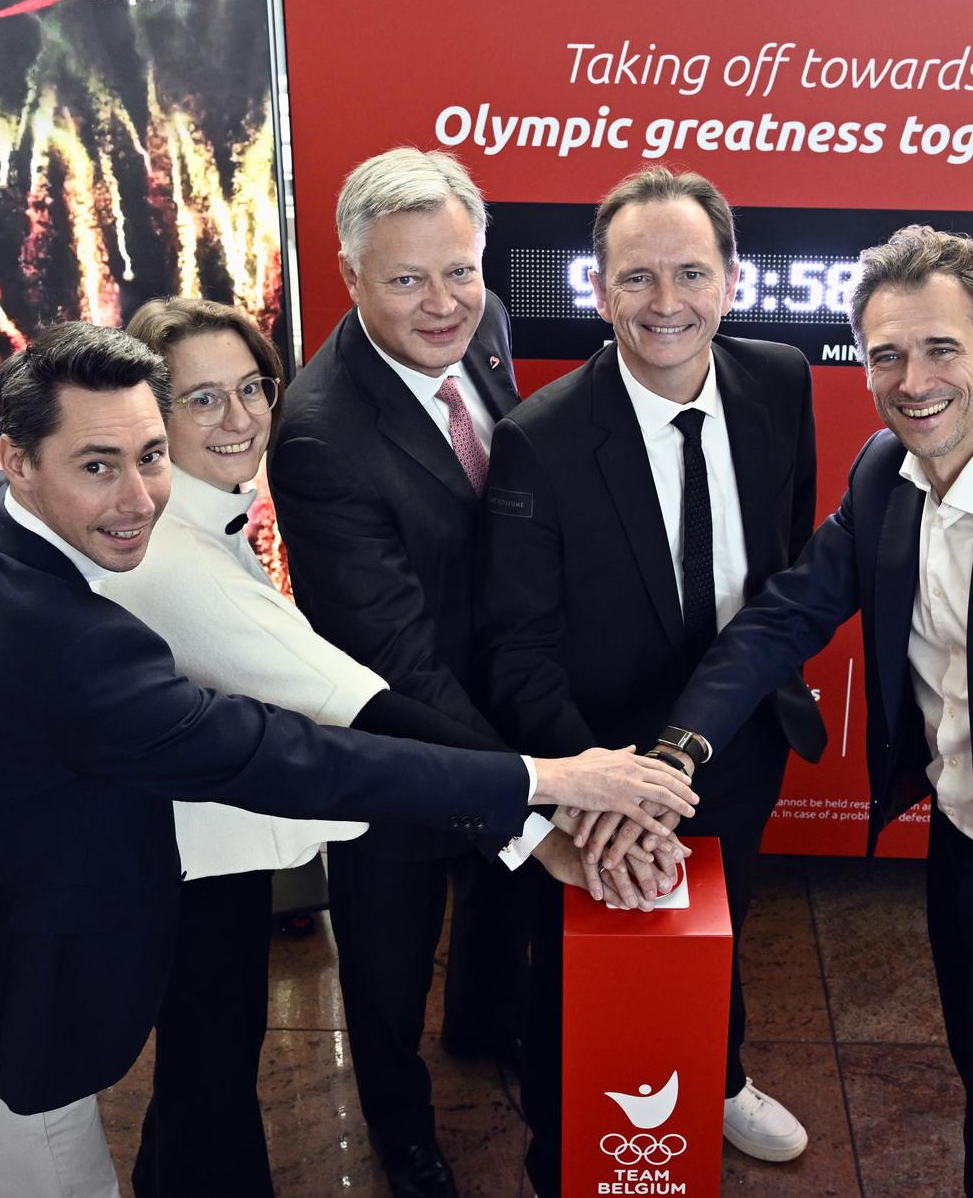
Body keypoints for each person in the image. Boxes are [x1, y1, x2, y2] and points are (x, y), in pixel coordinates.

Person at [0, 321, 693, 1198]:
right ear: (19, 460)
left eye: (149, 455)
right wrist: (544, 783)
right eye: (97, 466)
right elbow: (301, 757)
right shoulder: (72, 645)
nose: (139, 498)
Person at [597, 226, 973, 1196]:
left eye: (941, 350)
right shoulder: (884, 477)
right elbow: (781, 618)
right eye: (886, 354)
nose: (912, 379)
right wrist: (677, 750)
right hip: (968, 857)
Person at [99, 297, 604, 1197]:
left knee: (200, 1073)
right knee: (213, 1074)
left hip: (210, 844)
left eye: (251, 387)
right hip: (187, 868)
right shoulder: (185, 561)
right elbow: (364, 710)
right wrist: (546, 806)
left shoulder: (202, 509)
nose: (242, 416)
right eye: (202, 400)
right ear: (150, 413)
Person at [479, 166, 826, 1190]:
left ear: (731, 282)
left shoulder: (780, 380)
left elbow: (785, 560)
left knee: (721, 924)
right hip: (603, 757)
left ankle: (716, 1081)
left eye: (689, 273)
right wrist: (595, 798)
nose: (663, 302)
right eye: (636, 278)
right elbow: (520, 648)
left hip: (741, 736)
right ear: (599, 290)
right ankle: (559, 1151)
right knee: (579, 969)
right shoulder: (537, 439)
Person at [267, 148, 531, 1198]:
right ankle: (401, 1133)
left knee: (499, 904)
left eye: (459, 270)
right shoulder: (323, 434)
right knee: (385, 959)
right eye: (407, 280)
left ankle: (483, 1028)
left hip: (497, 697)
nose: (444, 303)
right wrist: (519, 778)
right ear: (351, 275)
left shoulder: (490, 326)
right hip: (396, 735)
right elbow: (394, 655)